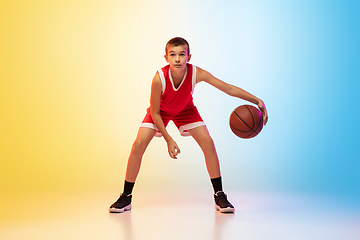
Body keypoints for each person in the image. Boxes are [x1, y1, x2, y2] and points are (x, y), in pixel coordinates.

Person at [109, 37, 268, 214]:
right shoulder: (158, 78)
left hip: (185, 110)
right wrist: (169, 139)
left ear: (189, 57)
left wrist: (257, 100)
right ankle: (126, 197)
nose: (177, 59)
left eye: (182, 54)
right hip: (160, 111)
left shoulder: (196, 73)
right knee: (138, 144)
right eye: (173, 54)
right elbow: (154, 113)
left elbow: (228, 88)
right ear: (166, 57)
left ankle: (219, 195)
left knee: (208, 142)